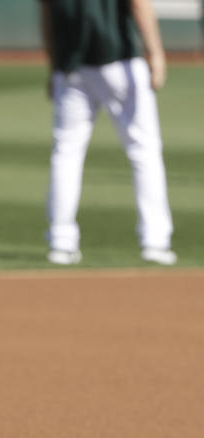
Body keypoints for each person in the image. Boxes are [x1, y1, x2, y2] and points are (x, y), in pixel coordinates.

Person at [39, 0, 177, 266]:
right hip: (121, 62)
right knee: (144, 152)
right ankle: (155, 241)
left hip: (71, 66)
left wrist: (54, 65)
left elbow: (47, 12)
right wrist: (156, 52)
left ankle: (60, 241)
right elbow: (139, 4)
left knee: (66, 153)